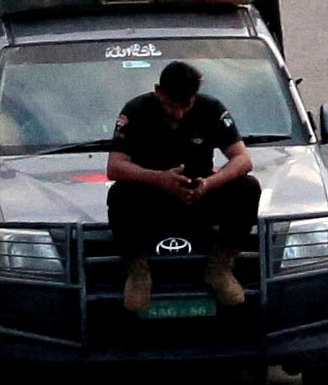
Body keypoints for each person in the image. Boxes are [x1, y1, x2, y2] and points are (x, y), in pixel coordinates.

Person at [102, 54, 258, 316]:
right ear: (158, 92)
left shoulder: (211, 109)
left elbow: (242, 159)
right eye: (172, 105)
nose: (179, 113)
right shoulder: (136, 111)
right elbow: (115, 166)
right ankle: (138, 272)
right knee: (120, 194)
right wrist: (160, 179)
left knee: (247, 187)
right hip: (153, 197)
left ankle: (220, 266)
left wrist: (208, 183)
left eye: (186, 105)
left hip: (199, 195)